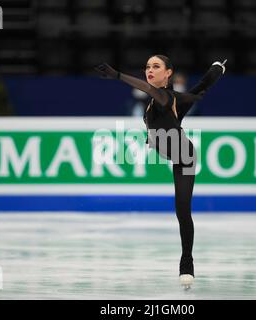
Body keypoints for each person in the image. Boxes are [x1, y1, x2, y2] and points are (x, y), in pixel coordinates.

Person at [94, 55, 226, 288]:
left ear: (168, 74)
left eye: (156, 67)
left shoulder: (164, 96)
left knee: (182, 211)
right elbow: (201, 88)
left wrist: (117, 75)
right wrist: (217, 69)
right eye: (147, 67)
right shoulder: (166, 102)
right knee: (181, 211)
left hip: (184, 158)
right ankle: (187, 262)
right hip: (174, 155)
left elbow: (147, 88)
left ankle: (187, 264)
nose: (149, 70)